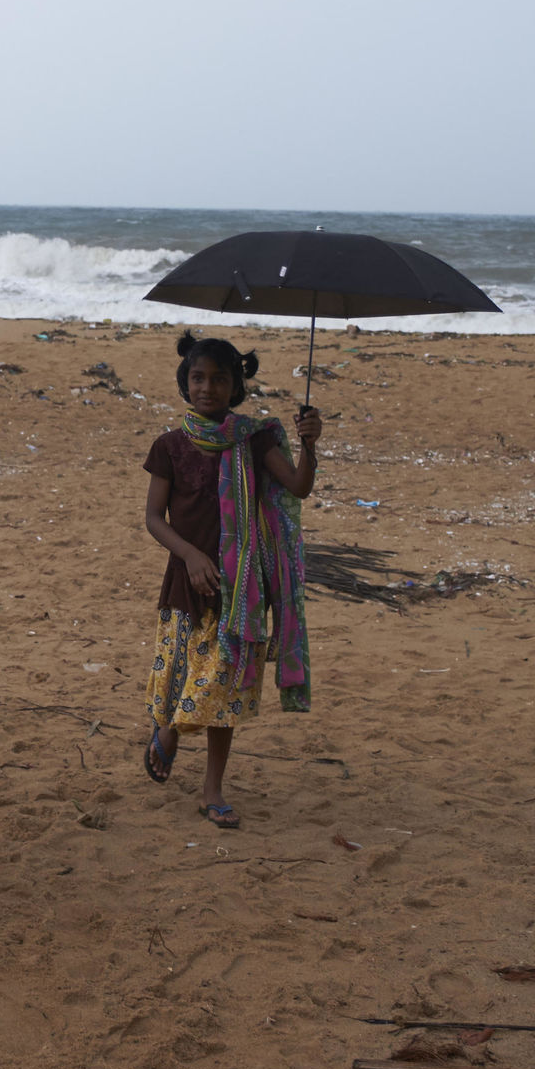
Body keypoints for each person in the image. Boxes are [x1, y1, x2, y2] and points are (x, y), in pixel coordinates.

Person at [140, 331, 321, 830]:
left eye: (220, 379)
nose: (208, 388)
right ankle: (170, 728)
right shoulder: (170, 447)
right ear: (185, 382)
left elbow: (300, 487)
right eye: (198, 377)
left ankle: (212, 789)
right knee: (179, 673)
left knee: (223, 693)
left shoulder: (254, 439)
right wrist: (191, 555)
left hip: (240, 588)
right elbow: (154, 518)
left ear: (236, 386)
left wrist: (309, 443)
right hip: (185, 581)